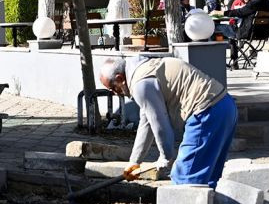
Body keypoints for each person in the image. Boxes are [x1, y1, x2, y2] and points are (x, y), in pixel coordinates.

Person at [100, 55, 237, 187]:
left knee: (184, 180)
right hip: (225, 106)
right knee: (208, 178)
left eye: (113, 88)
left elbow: (160, 125)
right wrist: (134, 161)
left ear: (120, 78)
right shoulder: (145, 68)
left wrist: (166, 157)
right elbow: (146, 122)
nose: (114, 93)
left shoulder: (140, 84)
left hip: (206, 113)